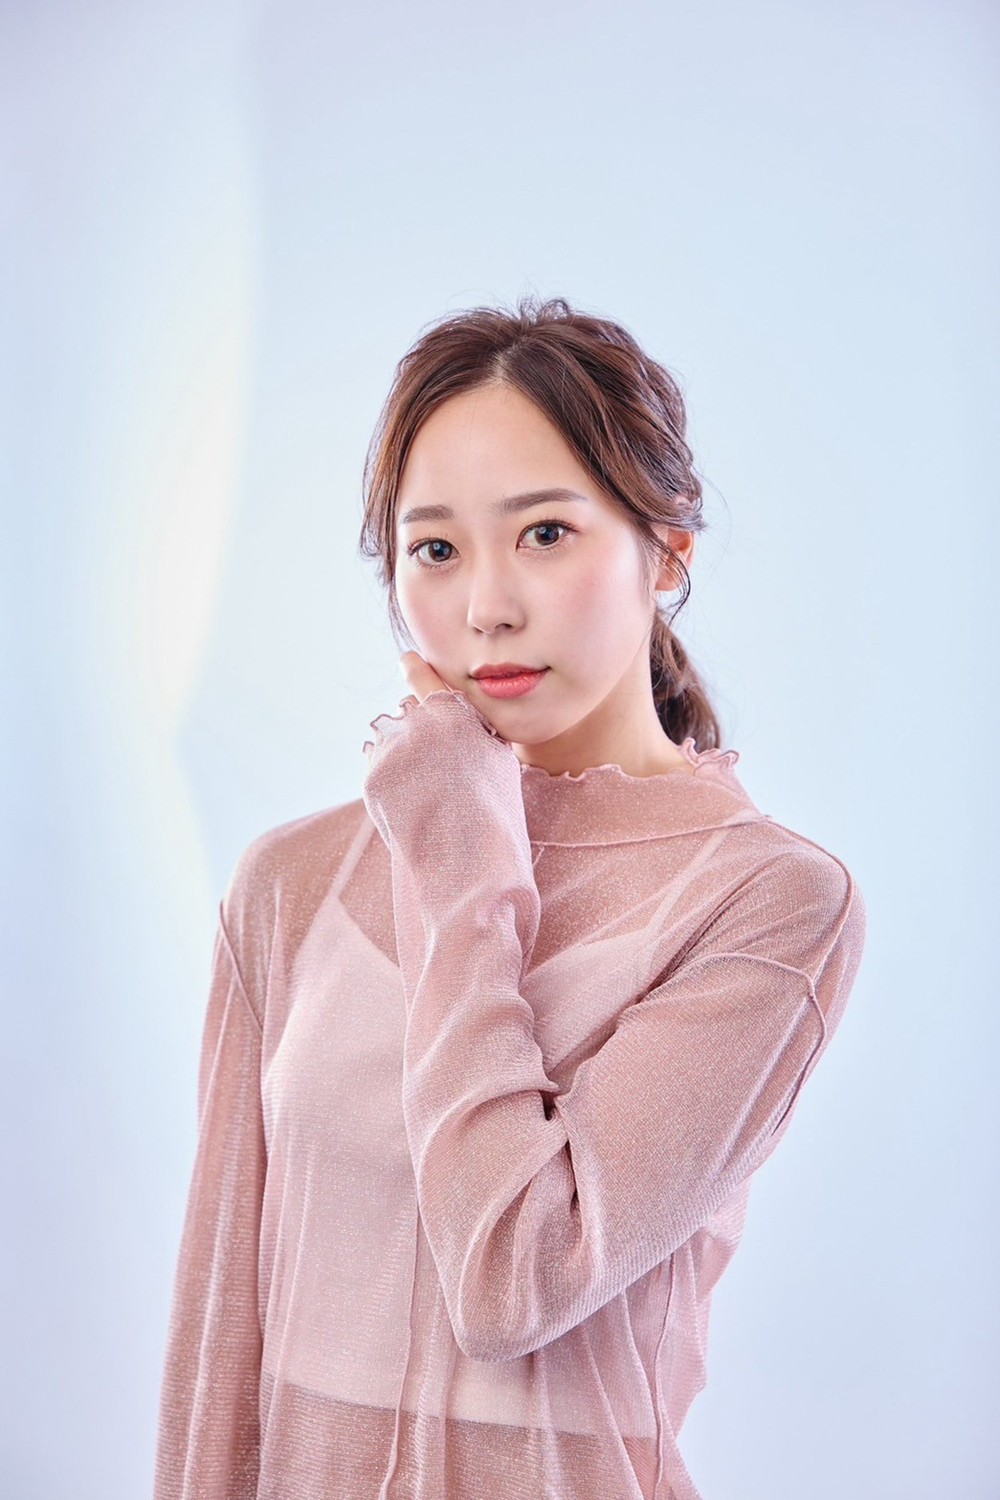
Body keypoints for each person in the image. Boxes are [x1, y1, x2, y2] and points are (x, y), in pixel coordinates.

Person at [153, 295, 867, 1500]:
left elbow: (512, 1282)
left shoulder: (769, 903)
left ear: (666, 552)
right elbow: (217, 1343)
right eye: (435, 550)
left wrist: (462, 861)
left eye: (543, 533)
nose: (486, 605)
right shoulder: (290, 885)